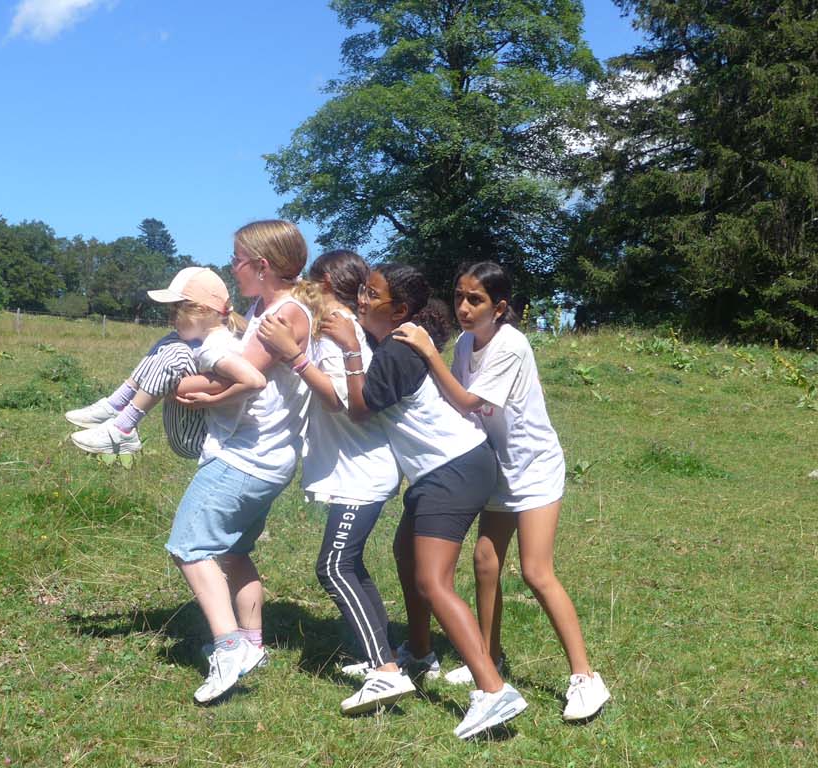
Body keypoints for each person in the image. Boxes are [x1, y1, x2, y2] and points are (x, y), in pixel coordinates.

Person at [314, 263, 528, 740]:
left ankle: (493, 690)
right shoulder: (396, 342)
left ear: (401, 310)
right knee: (405, 554)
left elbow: (360, 407)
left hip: (453, 469)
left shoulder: (398, 350)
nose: (362, 300)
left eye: (373, 295)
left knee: (433, 581)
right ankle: (419, 652)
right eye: (362, 291)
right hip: (444, 470)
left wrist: (350, 350)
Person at [393, 261, 609, 723]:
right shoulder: (465, 344)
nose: (464, 308)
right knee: (485, 562)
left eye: (476, 300)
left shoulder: (511, 344)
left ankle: (585, 677)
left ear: (499, 307)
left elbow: (468, 400)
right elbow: (454, 403)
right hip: (497, 467)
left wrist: (429, 352)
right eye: (459, 297)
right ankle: (489, 658)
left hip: (534, 468)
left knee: (535, 571)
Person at [165, 221, 313, 704]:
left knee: (189, 546)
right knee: (232, 551)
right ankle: (251, 644)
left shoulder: (281, 316)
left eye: (237, 260)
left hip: (246, 456)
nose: (232, 268)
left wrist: (172, 384)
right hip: (266, 455)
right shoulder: (267, 309)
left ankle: (228, 650)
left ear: (262, 265)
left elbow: (232, 377)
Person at [257, 251, 410, 715]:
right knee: (350, 565)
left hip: (362, 473)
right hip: (358, 469)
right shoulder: (338, 325)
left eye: (311, 279)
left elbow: (339, 401)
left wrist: (294, 356)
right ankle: (384, 655)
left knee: (334, 567)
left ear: (326, 284)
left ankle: (385, 670)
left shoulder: (337, 328)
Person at [65, 267, 262, 457]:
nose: (170, 319)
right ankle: (115, 405)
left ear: (201, 310)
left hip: (204, 438)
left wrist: (211, 400)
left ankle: (123, 428)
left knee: (177, 352)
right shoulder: (211, 339)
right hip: (196, 432)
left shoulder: (215, 348)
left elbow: (255, 382)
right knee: (172, 340)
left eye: (175, 312)